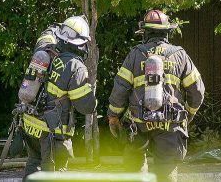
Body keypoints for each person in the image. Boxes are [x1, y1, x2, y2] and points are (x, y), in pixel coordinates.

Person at [107, 10, 205, 182]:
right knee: (166, 172)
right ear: (167, 32)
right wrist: (189, 113)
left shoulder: (135, 54)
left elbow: (120, 88)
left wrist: (113, 116)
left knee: (134, 170)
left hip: (138, 124)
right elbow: (197, 91)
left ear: (145, 33)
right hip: (170, 125)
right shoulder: (180, 55)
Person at [21, 15, 96, 181]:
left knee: (33, 166)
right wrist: (90, 90)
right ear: (81, 43)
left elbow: (45, 35)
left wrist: (57, 26)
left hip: (31, 126)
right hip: (52, 133)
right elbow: (86, 106)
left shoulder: (44, 50)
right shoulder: (75, 66)